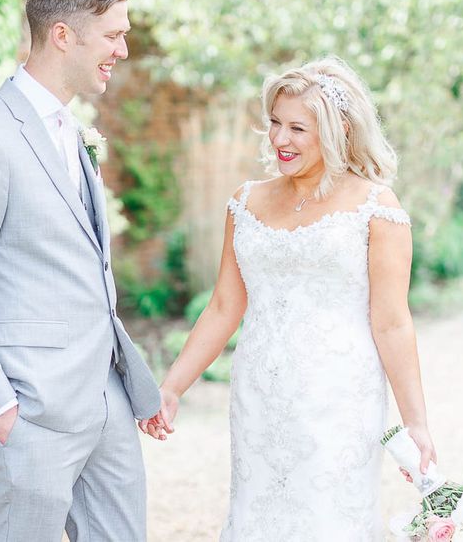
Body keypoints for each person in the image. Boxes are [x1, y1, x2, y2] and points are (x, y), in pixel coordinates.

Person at [141, 56, 436, 540]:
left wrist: (416, 423)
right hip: (259, 393)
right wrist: (171, 387)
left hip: (340, 397)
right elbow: (223, 307)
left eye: (297, 128)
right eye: (275, 123)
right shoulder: (247, 200)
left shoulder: (375, 206)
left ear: (338, 128)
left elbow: (392, 323)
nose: (279, 139)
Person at [0, 0, 160, 542]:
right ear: (63, 36)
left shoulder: (72, 130)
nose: (123, 50)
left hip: (105, 395)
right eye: (113, 35)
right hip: (31, 408)